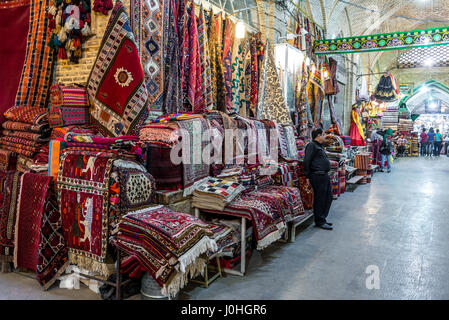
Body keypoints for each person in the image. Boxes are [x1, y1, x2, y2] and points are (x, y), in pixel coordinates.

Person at [304, 127, 333, 230]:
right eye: (324, 134)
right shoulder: (311, 146)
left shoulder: (319, 146)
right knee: (320, 199)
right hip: (317, 176)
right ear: (319, 135)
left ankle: (323, 219)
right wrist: (307, 176)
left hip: (324, 175)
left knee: (328, 197)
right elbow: (307, 161)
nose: (325, 137)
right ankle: (319, 221)